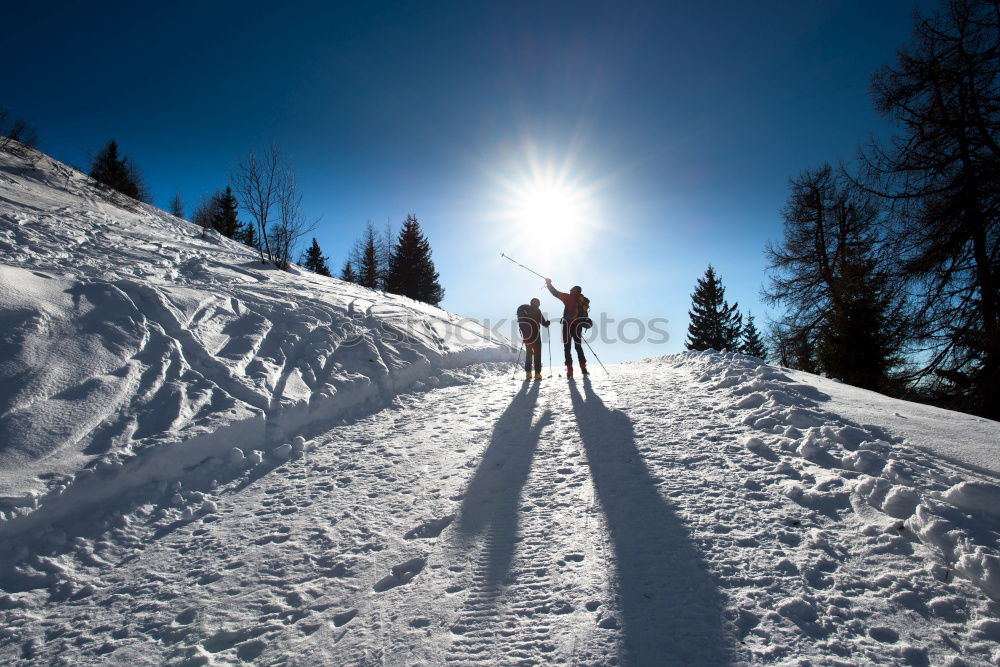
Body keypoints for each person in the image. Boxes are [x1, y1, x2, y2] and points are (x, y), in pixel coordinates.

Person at [544, 279, 590, 378]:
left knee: (567, 347)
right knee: (578, 347)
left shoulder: (569, 298)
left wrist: (548, 284)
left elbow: (555, 293)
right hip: (578, 326)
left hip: (567, 326)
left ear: (573, 290)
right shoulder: (582, 301)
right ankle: (583, 369)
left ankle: (570, 371)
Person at [516, 298, 550, 380]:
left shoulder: (525, 310)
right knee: (537, 354)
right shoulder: (537, 311)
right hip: (536, 335)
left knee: (529, 353)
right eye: (539, 303)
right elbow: (544, 323)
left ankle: (528, 373)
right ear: (537, 304)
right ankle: (537, 374)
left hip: (527, 336)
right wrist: (547, 323)